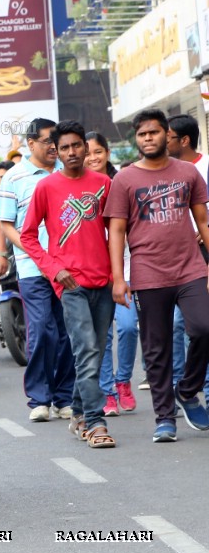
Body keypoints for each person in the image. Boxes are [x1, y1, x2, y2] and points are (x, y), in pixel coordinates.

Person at [106, 109, 209, 443]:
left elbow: (203, 221)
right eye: (142, 134)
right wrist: (118, 278)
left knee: (204, 327)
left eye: (153, 132)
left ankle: (188, 388)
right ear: (136, 139)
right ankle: (165, 417)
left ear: (167, 134)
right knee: (156, 348)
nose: (148, 138)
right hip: (148, 274)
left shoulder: (188, 173)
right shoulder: (124, 179)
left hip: (191, 268)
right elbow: (117, 229)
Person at [20, 121, 116, 448]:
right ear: (56, 152)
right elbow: (28, 236)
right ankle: (95, 421)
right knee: (87, 349)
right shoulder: (46, 188)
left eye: (77, 145)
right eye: (65, 148)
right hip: (71, 285)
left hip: (104, 281)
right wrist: (53, 268)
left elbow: (116, 234)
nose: (72, 152)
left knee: (95, 352)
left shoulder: (104, 184)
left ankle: (77, 411)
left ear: (86, 148)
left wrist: (119, 275)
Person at [0, 119, 76, 422]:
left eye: (58, 140)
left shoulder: (67, 174)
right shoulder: (14, 178)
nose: (55, 146)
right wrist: (34, 252)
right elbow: (6, 224)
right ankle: (39, 398)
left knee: (67, 331)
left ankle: (64, 396)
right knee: (42, 330)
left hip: (69, 266)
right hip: (32, 267)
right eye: (48, 141)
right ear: (31, 144)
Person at [86, 132, 137, 415]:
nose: (93, 158)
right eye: (88, 152)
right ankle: (106, 391)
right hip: (95, 273)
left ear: (107, 153)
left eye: (98, 152)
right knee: (101, 335)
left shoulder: (123, 184)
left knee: (129, 328)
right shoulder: (79, 188)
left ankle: (123, 382)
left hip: (127, 269)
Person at [164, 114, 209, 395]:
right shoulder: (166, 170)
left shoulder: (205, 166)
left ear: (184, 140)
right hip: (175, 257)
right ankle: (180, 387)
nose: (162, 142)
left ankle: (201, 388)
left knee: (199, 324)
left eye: (167, 137)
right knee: (177, 324)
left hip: (202, 252)